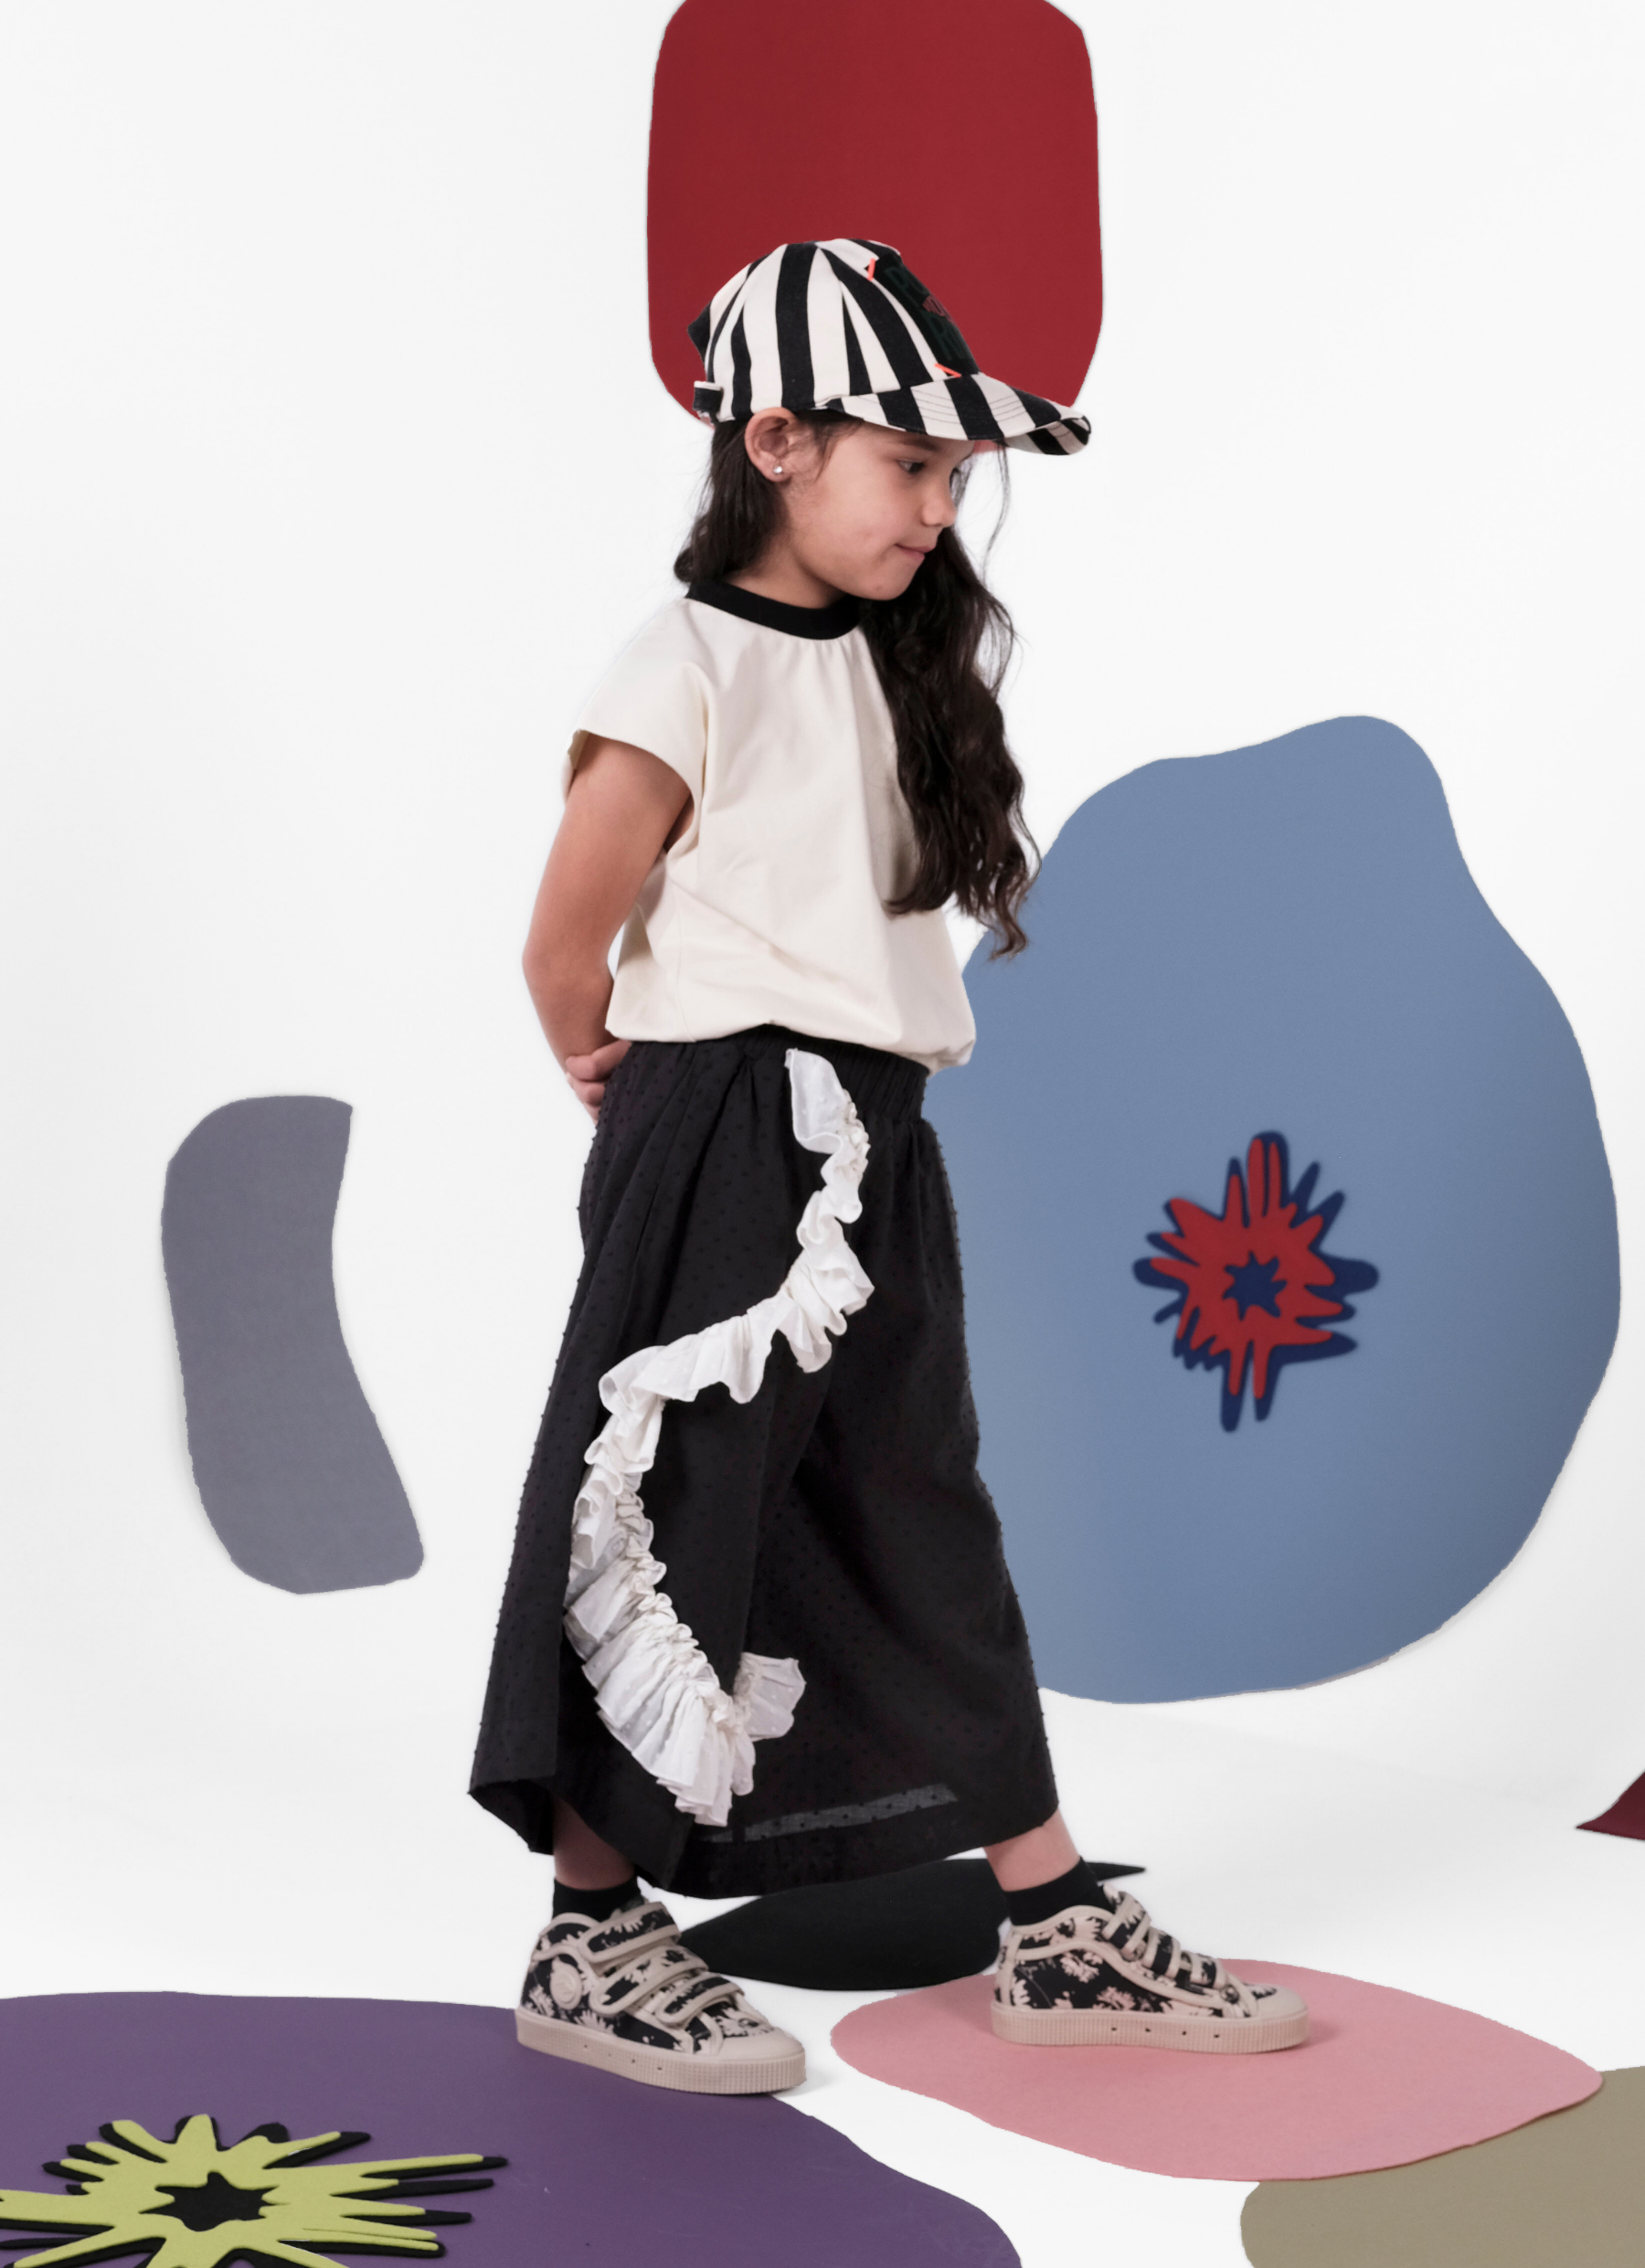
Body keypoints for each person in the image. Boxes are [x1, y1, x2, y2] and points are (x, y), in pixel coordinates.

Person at [470, 238, 1309, 2093]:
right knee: (674, 1501)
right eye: (905, 463)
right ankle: (592, 1928)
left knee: (921, 1506)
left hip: (874, 1138)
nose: (936, 508)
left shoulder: (891, 659)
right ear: (773, 442)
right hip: (727, 1119)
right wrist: (621, 1081)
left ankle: (1051, 1917)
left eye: (951, 474)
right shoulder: (684, 661)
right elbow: (565, 932)